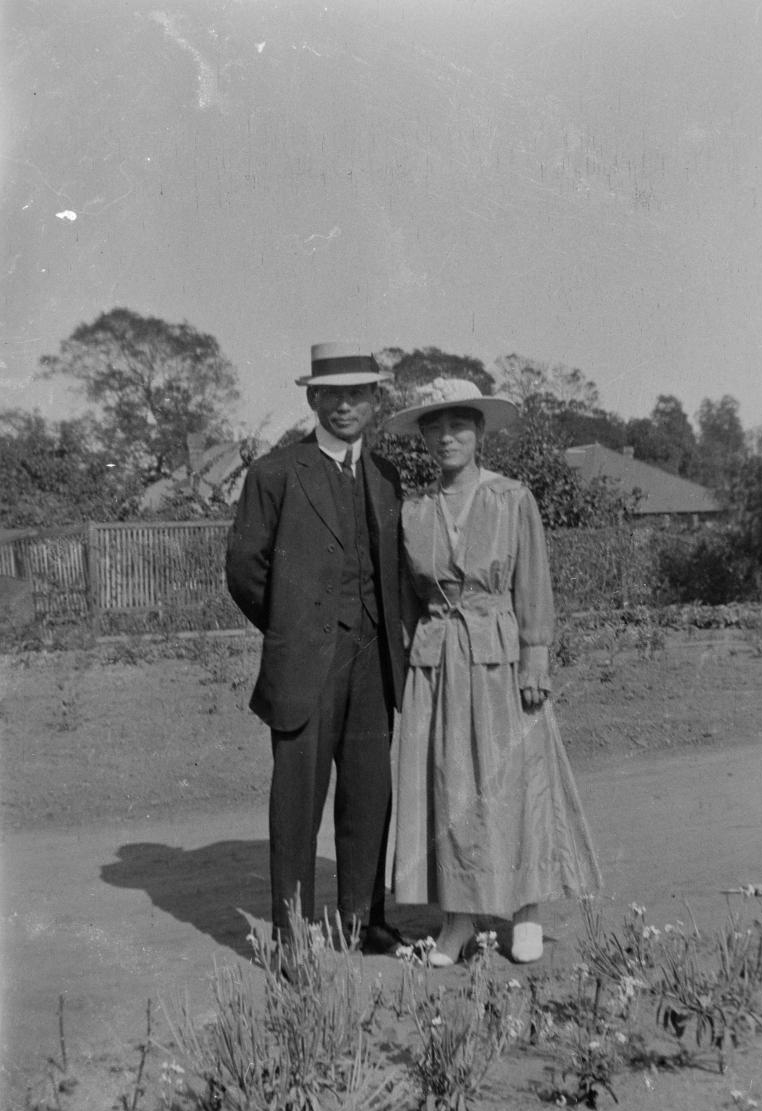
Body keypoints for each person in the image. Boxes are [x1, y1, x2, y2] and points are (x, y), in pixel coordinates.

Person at [384, 378, 601, 966]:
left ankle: (524, 911)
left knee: (514, 783)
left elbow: (533, 584)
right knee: (448, 789)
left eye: (459, 425)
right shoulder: (414, 511)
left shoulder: (512, 499)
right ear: (424, 438)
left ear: (479, 433)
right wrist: (412, 661)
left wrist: (536, 658)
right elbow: (406, 600)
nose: (446, 437)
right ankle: (456, 921)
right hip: (437, 666)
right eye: (435, 427)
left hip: (501, 662)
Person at [226, 342, 407, 954]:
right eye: (334, 395)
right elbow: (244, 569)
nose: (346, 406)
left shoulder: (385, 476)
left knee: (368, 794)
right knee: (298, 801)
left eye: (358, 394)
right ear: (312, 398)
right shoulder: (274, 473)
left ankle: (364, 918)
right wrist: (293, 628)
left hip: (372, 662)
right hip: (305, 663)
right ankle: (291, 935)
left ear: (374, 401)